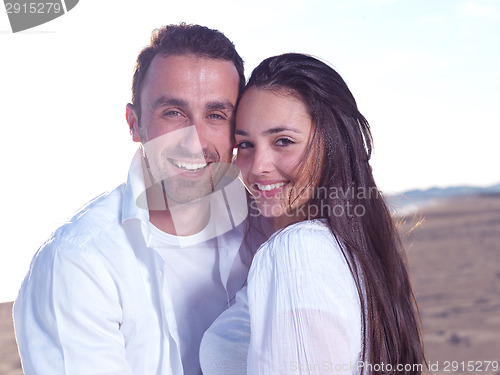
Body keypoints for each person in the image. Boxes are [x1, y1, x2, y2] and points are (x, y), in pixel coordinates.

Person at [13, 23, 268, 375]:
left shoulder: (270, 226)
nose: (194, 141)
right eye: (173, 113)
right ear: (134, 123)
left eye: (215, 115)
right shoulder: (78, 263)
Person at [200, 53, 425, 374]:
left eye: (283, 141)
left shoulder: (296, 251)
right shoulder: (351, 249)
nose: (258, 166)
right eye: (245, 144)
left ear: (333, 143)